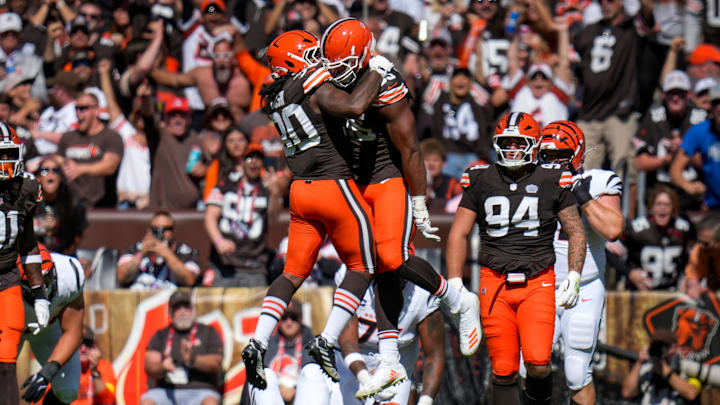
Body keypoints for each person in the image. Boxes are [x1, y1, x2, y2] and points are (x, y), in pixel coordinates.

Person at [321, 18, 480, 398]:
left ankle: (457, 298)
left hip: (387, 176)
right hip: (355, 179)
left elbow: (410, 150)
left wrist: (419, 200)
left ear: (364, 58)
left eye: (343, 65)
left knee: (393, 257)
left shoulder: (388, 86)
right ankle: (391, 357)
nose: (334, 73)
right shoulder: (338, 77)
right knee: (372, 265)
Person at [241, 29, 390, 391]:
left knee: (292, 272)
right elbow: (355, 105)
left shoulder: (272, 98)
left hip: (300, 190)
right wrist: (377, 71)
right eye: (311, 55)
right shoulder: (313, 85)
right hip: (332, 185)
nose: (319, 60)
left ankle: (258, 340)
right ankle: (327, 339)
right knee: (365, 265)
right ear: (297, 60)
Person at [446, 112, 586, 405]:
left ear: (533, 145)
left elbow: (575, 231)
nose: (511, 149)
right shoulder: (480, 178)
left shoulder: (552, 179)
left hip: (537, 281)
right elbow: (458, 233)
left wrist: (574, 275)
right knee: (503, 369)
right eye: (506, 143)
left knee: (537, 361)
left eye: (518, 143)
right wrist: (456, 282)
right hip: (493, 280)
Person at [535, 120, 624, 405]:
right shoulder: (532, 182)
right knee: (531, 365)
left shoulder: (598, 181)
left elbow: (613, 229)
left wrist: (581, 194)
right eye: (548, 156)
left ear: (576, 155)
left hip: (584, 287)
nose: (554, 163)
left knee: (576, 372)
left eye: (561, 155)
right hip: (541, 286)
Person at [331, 266, 445, 405]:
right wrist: (367, 380)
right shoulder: (355, 275)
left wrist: (425, 401)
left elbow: (434, 355)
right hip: (348, 368)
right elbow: (348, 343)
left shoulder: (423, 293)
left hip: (395, 371)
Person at [574, 0, 654, 181]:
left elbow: (648, 9)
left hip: (620, 113)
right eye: (601, 1)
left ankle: (627, 210)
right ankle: (587, 210)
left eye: (610, 0)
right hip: (589, 112)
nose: (605, 4)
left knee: (625, 169)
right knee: (581, 173)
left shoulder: (631, 29)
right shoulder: (590, 30)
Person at [0, 122, 49, 405]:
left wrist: (40, 294)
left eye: (8, 154)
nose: (5, 162)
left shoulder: (26, 187)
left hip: (6, 278)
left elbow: (28, 244)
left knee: (6, 357)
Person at [204, 143, 284, 287]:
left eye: (258, 158)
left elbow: (274, 215)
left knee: (254, 309)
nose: (253, 162)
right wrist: (219, 241)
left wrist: (275, 192)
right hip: (224, 264)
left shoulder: (266, 189)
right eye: (249, 158)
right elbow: (210, 216)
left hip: (255, 266)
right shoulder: (225, 184)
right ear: (241, 162)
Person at [19, 245, 86, 404]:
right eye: (34, 286)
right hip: (11, 330)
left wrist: (47, 373)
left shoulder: (69, 273)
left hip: (48, 329)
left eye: (46, 279)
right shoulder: (6, 282)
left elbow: (73, 332)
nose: (42, 288)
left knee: (67, 390)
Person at [635, 70, 708, 212]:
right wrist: (666, 159)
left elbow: (711, 161)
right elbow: (638, 163)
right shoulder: (653, 118)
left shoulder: (701, 119)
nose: (675, 98)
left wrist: (685, 151)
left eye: (680, 93)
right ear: (664, 95)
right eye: (671, 93)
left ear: (689, 95)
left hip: (693, 194)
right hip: (660, 192)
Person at [142, 290, 224, 405]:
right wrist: (163, 367)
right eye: (177, 308)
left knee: (210, 402)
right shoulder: (160, 335)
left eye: (186, 307)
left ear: (193, 310)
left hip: (201, 391)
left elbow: (217, 364)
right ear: (170, 313)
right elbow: (149, 366)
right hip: (166, 390)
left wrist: (192, 359)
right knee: (147, 401)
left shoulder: (208, 332)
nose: (182, 312)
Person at [57, 91, 124, 207]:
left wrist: (80, 168)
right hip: (71, 206)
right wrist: (59, 163)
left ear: (97, 110)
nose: (78, 113)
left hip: (101, 206)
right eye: (76, 108)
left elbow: (110, 166)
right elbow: (57, 159)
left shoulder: (111, 136)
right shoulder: (67, 137)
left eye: (83, 108)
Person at [621, 186, 695, 291]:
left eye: (667, 204)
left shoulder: (683, 229)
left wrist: (688, 276)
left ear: (673, 208)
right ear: (651, 207)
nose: (662, 208)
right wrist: (629, 272)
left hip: (671, 292)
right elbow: (610, 251)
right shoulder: (637, 229)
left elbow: (693, 255)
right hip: (641, 292)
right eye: (659, 204)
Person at [243, 300, 314, 404]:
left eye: (293, 318)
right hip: (273, 393)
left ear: (301, 319)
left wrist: (295, 389)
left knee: (313, 372)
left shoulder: (311, 343)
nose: (289, 322)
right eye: (284, 318)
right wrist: (278, 389)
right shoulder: (268, 344)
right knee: (251, 376)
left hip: (303, 395)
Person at [141, 94, 205, 210]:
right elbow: (148, 117)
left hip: (191, 211)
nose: (177, 118)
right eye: (172, 114)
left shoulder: (195, 139)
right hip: (161, 211)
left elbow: (212, 165)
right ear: (165, 119)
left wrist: (205, 169)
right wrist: (146, 97)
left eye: (182, 114)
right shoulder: (158, 137)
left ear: (189, 118)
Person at [116, 211, 201, 290]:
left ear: (173, 231)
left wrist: (168, 256)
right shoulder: (135, 249)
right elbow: (121, 278)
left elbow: (190, 280)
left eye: (166, 229)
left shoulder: (186, 252)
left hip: (171, 300)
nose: (161, 233)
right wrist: (141, 254)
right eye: (156, 229)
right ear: (149, 230)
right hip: (138, 298)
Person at [670, 85, 720, 211]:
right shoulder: (699, 131)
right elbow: (675, 170)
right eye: (716, 103)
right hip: (712, 205)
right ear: (711, 107)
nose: (719, 107)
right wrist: (687, 185)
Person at [621, 329, 701, 403]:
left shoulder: (686, 367)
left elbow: (692, 394)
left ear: (677, 348)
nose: (663, 350)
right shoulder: (647, 369)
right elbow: (627, 393)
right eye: (658, 347)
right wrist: (639, 362)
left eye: (666, 347)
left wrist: (666, 371)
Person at [34, 156, 88, 255]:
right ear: (38, 177)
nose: (50, 174)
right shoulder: (30, 202)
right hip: (36, 257)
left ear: (60, 177)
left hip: (63, 256)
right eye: (45, 171)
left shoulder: (72, 202)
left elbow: (78, 234)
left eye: (55, 170)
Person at [72, 327, 117, 405]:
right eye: (79, 344)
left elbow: (108, 400)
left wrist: (94, 371)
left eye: (87, 344)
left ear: (94, 347)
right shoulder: (63, 369)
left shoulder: (103, 366)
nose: (83, 349)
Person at [682, 215, 720, 296]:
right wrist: (693, 285)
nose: (701, 245)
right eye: (699, 241)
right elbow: (693, 274)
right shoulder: (699, 250)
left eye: (706, 243)